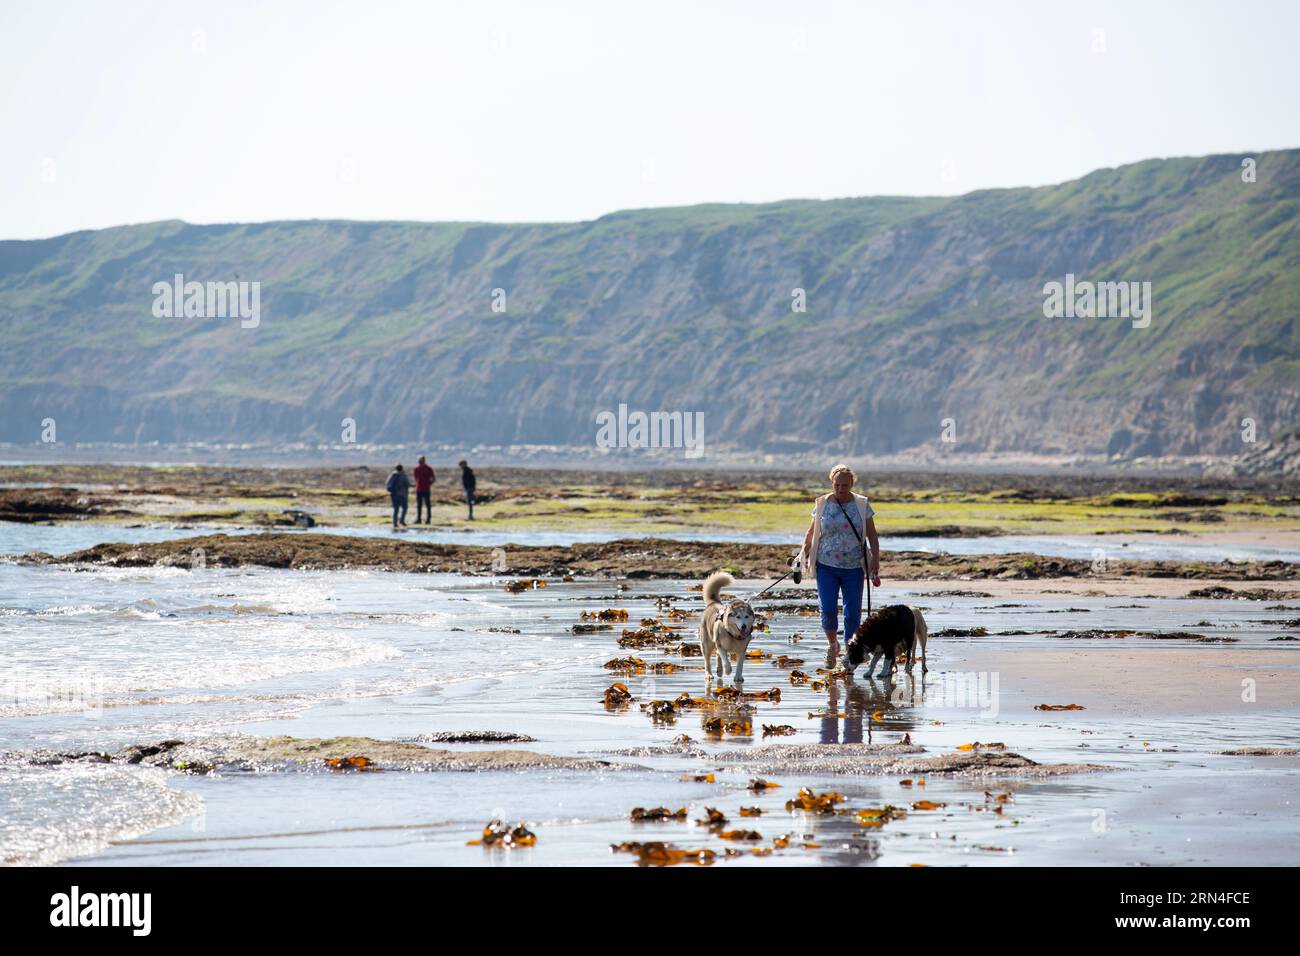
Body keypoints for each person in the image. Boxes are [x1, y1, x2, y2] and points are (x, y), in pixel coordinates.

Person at [799, 463, 881, 668]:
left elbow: (872, 534)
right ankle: (832, 644)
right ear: (831, 483)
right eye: (837, 485)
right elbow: (812, 533)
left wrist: (876, 559)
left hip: (853, 566)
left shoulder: (862, 505)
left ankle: (849, 652)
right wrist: (803, 554)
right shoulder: (822, 503)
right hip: (826, 564)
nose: (840, 489)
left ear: (852, 483)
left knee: (852, 612)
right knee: (827, 609)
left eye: (844, 485)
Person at [386, 463, 411, 528]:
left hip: (394, 495)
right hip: (402, 495)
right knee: (404, 508)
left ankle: (395, 523)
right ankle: (401, 520)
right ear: (402, 468)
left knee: (396, 509)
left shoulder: (393, 475)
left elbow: (387, 483)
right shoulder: (403, 475)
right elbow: (407, 484)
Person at [413, 456, 435, 524]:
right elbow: (416, 478)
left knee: (427, 505)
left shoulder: (428, 468)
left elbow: (433, 478)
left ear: (424, 461)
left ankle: (428, 519)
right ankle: (419, 519)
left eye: (421, 461)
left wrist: (429, 484)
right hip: (419, 489)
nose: (420, 462)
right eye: (419, 461)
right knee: (419, 505)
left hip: (426, 489)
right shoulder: (416, 468)